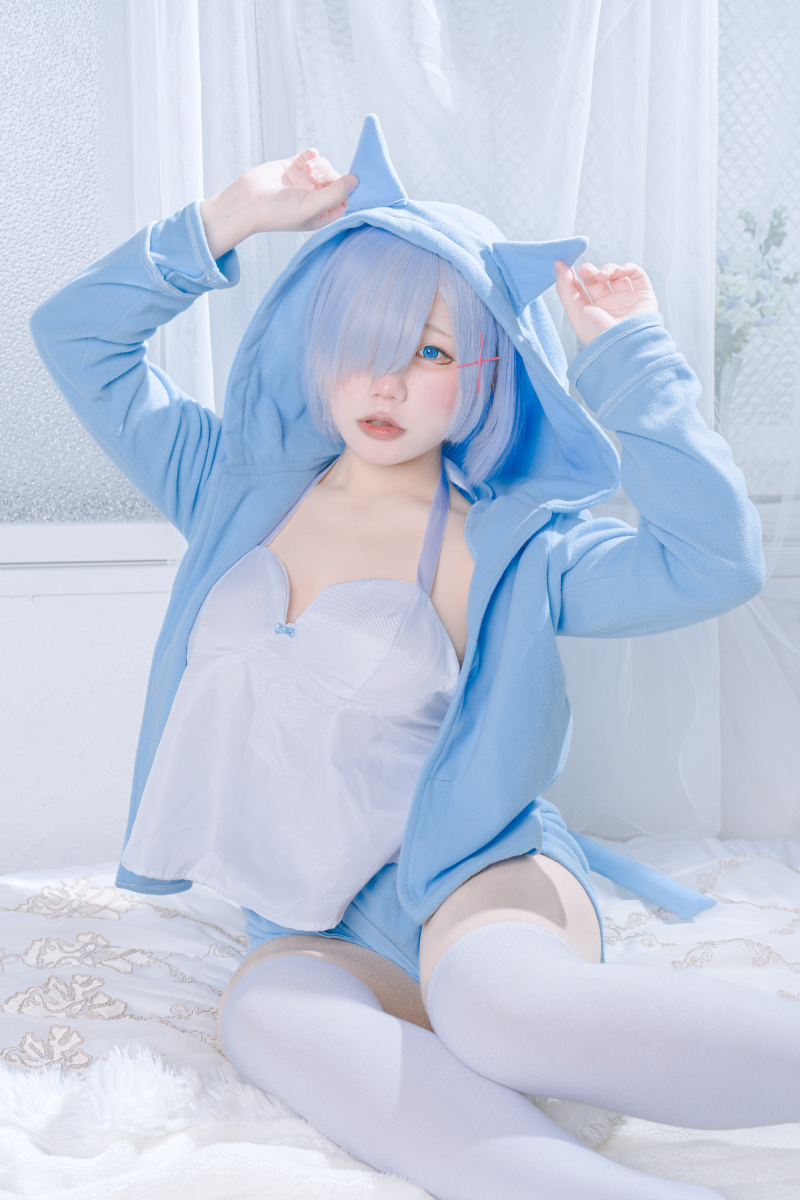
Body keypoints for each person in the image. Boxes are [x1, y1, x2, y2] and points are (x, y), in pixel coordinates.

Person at [29, 113, 795, 1200]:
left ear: (483, 369)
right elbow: (74, 337)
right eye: (360, 343)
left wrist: (630, 356)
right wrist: (232, 216)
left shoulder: (511, 545)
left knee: (498, 1014)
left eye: (428, 352)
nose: (383, 384)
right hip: (310, 923)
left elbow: (712, 564)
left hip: (478, 880)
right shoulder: (231, 490)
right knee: (262, 1016)